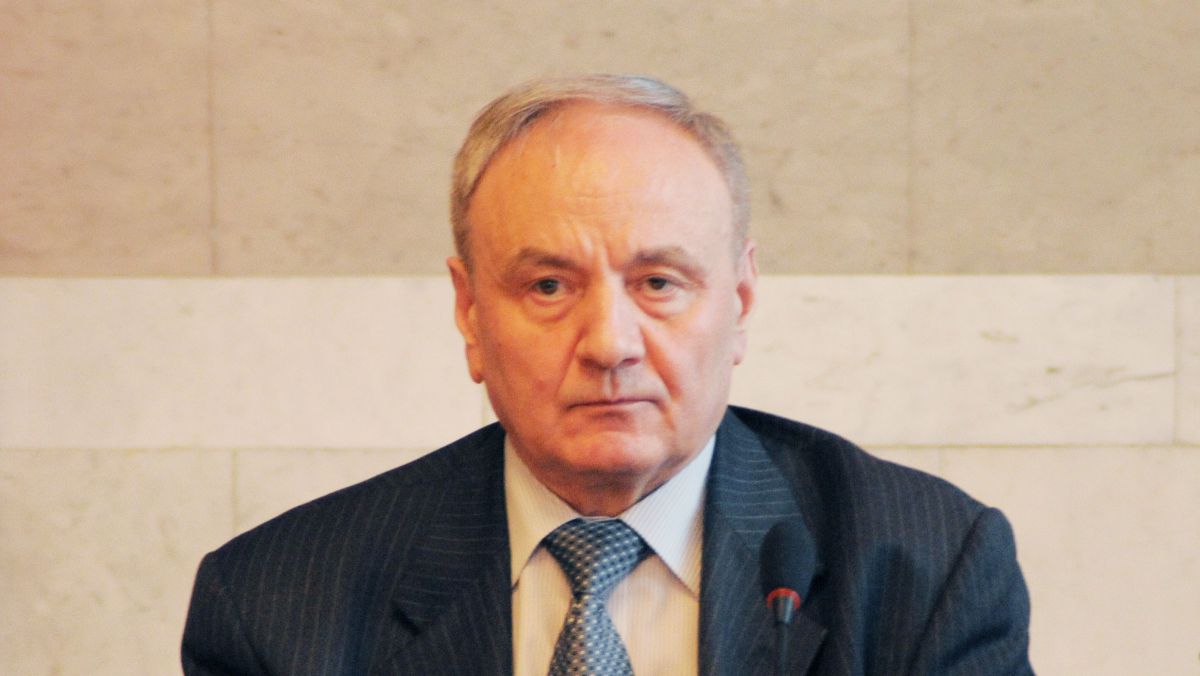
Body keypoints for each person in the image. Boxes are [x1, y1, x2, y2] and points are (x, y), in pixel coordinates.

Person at [182, 74, 1032, 675]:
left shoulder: (925, 571)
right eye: (548, 286)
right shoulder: (277, 608)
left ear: (738, 301)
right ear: (470, 312)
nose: (609, 343)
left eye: (658, 283)